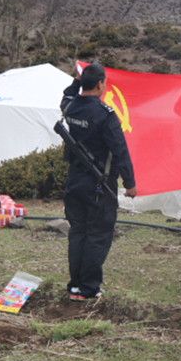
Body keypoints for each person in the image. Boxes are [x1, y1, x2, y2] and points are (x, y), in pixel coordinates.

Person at [60, 63, 136, 301]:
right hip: (99, 184)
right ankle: (89, 288)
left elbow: (67, 95)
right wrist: (130, 182)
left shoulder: (70, 107)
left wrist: (77, 80)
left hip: (74, 181)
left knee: (78, 232)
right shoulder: (105, 114)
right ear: (101, 84)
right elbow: (120, 150)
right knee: (98, 235)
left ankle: (75, 285)